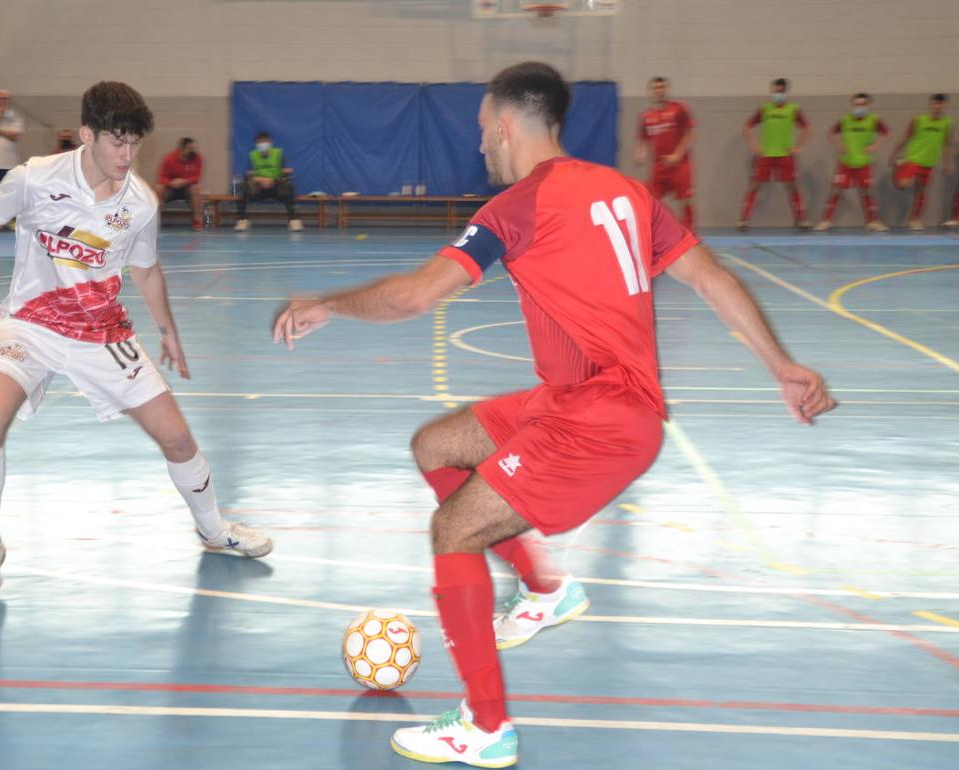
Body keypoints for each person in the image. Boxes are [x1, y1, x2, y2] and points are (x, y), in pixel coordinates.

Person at [272, 61, 836, 768]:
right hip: (574, 400)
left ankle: (484, 727)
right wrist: (780, 366)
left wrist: (328, 304)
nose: (481, 146)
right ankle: (547, 589)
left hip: (600, 419)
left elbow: (416, 297)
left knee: (456, 527)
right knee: (438, 446)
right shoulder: (625, 192)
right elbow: (711, 276)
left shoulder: (520, 205)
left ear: (507, 128)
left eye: (483, 131)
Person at [0, 80, 273, 601]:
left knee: (177, 437)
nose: (127, 154)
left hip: (101, 332)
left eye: (135, 143)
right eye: (117, 142)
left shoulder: (139, 202)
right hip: (31, 323)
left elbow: (146, 272)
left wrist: (168, 331)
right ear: (87, 135)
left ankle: (213, 529)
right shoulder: (34, 178)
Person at [737, 78, 810, 231]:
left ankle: (801, 220)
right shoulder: (765, 109)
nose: (778, 94)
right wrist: (754, 145)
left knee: (792, 186)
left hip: (785, 155)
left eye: (781, 91)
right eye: (775, 91)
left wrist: (798, 147)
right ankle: (743, 220)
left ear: (785, 92)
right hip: (766, 155)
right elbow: (747, 125)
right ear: (771, 91)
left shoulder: (792, 109)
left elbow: (807, 127)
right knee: (754, 185)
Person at [814, 93, 890, 232]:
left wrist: (876, 145)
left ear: (868, 106)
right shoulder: (845, 120)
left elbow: (887, 132)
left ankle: (873, 221)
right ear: (852, 105)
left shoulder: (874, 120)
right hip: (846, 163)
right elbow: (830, 133)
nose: (859, 107)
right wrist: (838, 145)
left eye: (862, 104)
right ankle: (825, 221)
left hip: (864, 163)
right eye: (856, 104)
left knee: (866, 192)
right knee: (836, 191)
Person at [634, 76, 696, 228]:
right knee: (650, 200)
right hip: (659, 167)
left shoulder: (678, 109)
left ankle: (690, 236)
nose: (659, 91)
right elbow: (642, 138)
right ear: (650, 92)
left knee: (685, 201)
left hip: (680, 165)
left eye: (662, 87)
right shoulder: (646, 116)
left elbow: (691, 132)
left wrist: (678, 154)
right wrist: (639, 152)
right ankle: (659, 233)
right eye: (656, 88)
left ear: (667, 90)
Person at [887, 94, 953, 231]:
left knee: (921, 190)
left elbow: (947, 145)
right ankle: (897, 167)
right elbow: (905, 138)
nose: (938, 107)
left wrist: (948, 163)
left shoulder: (947, 123)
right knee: (902, 185)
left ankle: (914, 220)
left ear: (945, 105)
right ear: (931, 104)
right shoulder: (918, 120)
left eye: (941, 104)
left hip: (929, 162)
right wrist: (893, 154)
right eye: (935, 103)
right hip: (913, 159)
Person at [235, 131, 302, 232]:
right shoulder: (252, 155)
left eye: (265, 142)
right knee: (243, 187)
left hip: (276, 186)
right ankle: (242, 220)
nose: (263, 145)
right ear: (256, 144)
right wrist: (261, 180)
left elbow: (287, 171)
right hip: (258, 188)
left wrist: (273, 180)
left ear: (270, 143)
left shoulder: (278, 153)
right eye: (260, 142)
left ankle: (293, 220)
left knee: (289, 186)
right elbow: (249, 174)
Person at [156, 137, 205, 231]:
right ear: (181, 149)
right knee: (158, 188)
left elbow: (196, 177)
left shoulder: (197, 158)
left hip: (187, 190)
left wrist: (184, 181)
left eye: (193, 148)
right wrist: (171, 183)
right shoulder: (169, 159)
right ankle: (154, 219)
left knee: (197, 188)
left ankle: (197, 220)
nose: (193, 151)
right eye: (190, 149)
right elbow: (161, 177)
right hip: (171, 189)